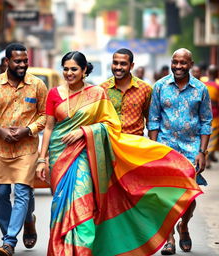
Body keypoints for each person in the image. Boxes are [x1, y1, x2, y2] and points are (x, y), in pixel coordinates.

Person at [36, 51, 202, 256]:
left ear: (84, 70)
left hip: (103, 153)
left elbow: (139, 122)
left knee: (88, 203)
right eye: (66, 69)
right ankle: (62, 249)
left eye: (74, 69)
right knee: (61, 206)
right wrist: (42, 159)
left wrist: (84, 131)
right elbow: (49, 128)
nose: (69, 73)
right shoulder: (62, 93)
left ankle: (84, 250)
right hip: (68, 155)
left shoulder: (104, 93)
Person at [0, 43, 48, 256]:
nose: (23, 64)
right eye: (18, 61)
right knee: (1, 193)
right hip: (0, 149)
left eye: (25, 61)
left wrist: (28, 129)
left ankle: (8, 241)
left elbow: (45, 115)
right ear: (7, 62)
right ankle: (27, 220)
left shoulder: (37, 85)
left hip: (26, 148)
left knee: (23, 192)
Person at [148, 48, 212, 255]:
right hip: (165, 147)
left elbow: (206, 121)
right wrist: (153, 149)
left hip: (192, 149)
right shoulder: (159, 87)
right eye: (175, 62)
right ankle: (169, 238)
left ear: (191, 64)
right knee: (167, 195)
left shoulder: (200, 89)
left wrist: (202, 151)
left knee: (189, 196)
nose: (178, 66)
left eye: (183, 63)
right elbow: (154, 120)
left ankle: (183, 226)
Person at [100, 48, 152, 136]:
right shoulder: (102, 89)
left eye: (123, 64)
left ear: (131, 66)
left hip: (135, 144)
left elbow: (151, 121)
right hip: (110, 144)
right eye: (115, 63)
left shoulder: (145, 89)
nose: (118, 67)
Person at [203, 65, 219, 168]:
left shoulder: (202, 84)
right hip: (215, 114)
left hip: (204, 114)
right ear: (217, 74)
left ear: (208, 72)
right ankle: (208, 159)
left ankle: (210, 156)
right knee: (212, 138)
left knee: (207, 137)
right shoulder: (217, 86)